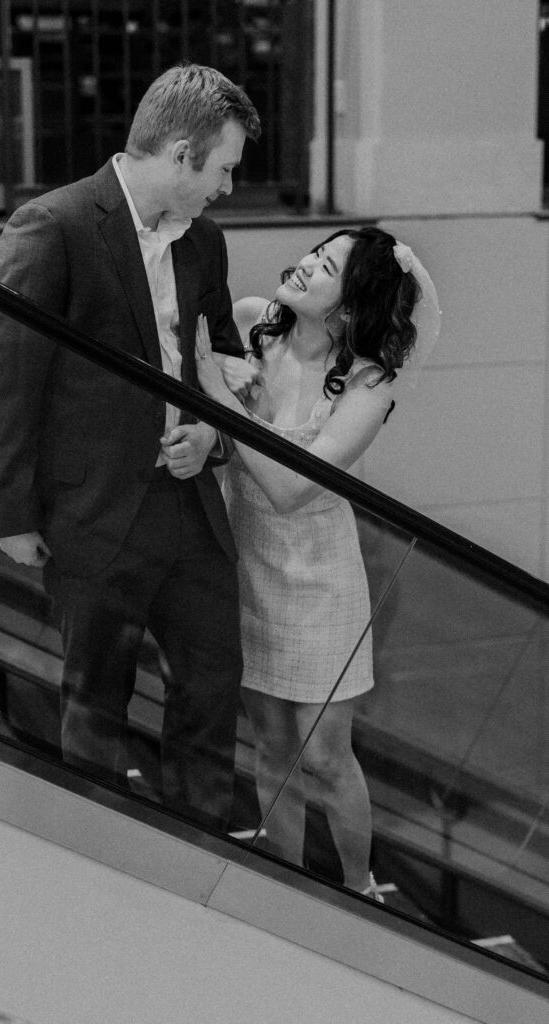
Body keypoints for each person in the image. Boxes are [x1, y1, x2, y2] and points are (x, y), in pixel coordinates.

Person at [0, 64, 261, 831]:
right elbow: (7, 376)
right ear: (178, 152)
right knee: (94, 705)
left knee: (210, 690)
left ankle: (201, 858)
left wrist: (213, 435)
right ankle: (98, 861)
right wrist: (10, 512)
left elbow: (223, 363)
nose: (227, 186)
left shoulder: (206, 240)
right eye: (224, 167)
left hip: (191, 515)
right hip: (94, 514)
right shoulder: (56, 225)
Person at [195, 226, 440, 894]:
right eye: (312, 253)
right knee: (271, 746)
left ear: (351, 306)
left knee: (327, 755)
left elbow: (291, 490)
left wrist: (216, 389)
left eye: (325, 266)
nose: (303, 266)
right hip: (242, 559)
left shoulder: (368, 384)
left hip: (319, 579)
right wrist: (219, 385)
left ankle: (359, 889)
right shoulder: (249, 322)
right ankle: (287, 883)